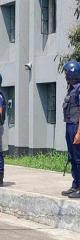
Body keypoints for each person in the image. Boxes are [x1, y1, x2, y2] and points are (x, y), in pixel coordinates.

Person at [62, 60, 80, 199]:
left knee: (78, 158)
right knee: (72, 157)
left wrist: (79, 132)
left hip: (76, 126)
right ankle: (75, 184)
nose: (65, 75)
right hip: (69, 125)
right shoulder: (71, 89)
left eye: (67, 72)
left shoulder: (79, 89)